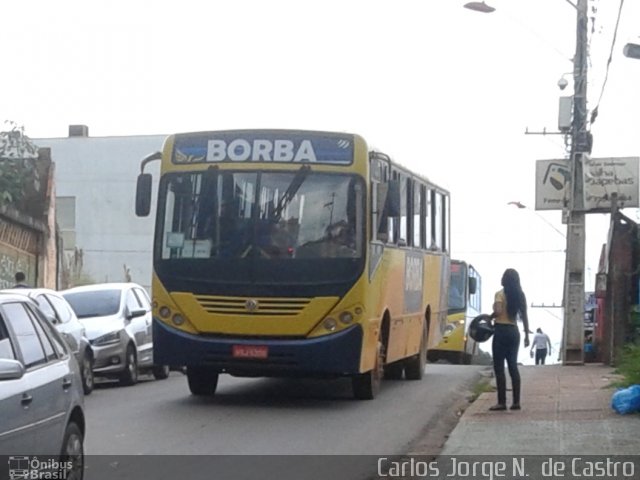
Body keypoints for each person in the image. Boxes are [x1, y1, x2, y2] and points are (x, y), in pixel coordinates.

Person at [489, 268, 531, 411]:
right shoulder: (520, 295)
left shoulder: (499, 294)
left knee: (499, 367)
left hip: (501, 331)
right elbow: (524, 315)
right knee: (513, 366)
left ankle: (501, 402)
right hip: (514, 332)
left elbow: (499, 311)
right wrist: (526, 335)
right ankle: (516, 402)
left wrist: (490, 316)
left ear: (504, 280)